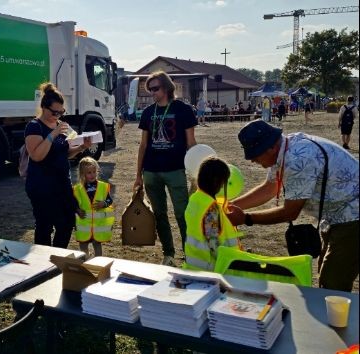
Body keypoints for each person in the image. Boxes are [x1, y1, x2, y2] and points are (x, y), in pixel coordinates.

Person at [227, 120, 359, 292]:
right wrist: (231, 205)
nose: (252, 160)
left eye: (255, 154)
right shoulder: (285, 147)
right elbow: (270, 187)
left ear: (271, 148)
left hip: (353, 216)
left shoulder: (298, 159)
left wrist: (245, 218)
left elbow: (290, 213)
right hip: (336, 215)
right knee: (326, 274)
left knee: (333, 283)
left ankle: (340, 318)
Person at [134, 70, 197, 266]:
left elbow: (191, 143)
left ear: (167, 87)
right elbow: (143, 145)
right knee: (159, 214)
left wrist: (196, 173)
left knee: (183, 213)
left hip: (175, 169)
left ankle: (191, 254)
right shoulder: (147, 112)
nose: (152, 92)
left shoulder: (183, 110)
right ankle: (168, 254)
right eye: (149, 89)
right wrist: (138, 175)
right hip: (151, 171)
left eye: (155, 88)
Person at [24, 82, 91, 248]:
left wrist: (81, 147)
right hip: (42, 186)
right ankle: (43, 262)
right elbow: (37, 155)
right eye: (55, 112)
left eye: (61, 112)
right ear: (44, 108)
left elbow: (64, 153)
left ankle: (58, 256)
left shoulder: (60, 126)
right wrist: (53, 134)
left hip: (62, 184)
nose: (58, 115)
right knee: (45, 226)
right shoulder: (34, 127)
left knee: (67, 223)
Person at [183, 157, 242, 271]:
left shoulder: (195, 199)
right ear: (216, 182)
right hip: (208, 267)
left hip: (192, 264)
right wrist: (226, 263)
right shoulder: (210, 207)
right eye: (222, 183)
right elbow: (212, 241)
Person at [74, 157, 114, 258]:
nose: (92, 175)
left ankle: (98, 262)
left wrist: (104, 204)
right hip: (84, 226)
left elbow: (110, 200)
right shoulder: (77, 189)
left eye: (94, 172)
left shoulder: (103, 186)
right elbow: (73, 203)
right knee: (83, 245)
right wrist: (77, 210)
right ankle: (85, 261)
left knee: (97, 244)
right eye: (89, 173)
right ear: (82, 174)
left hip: (98, 226)